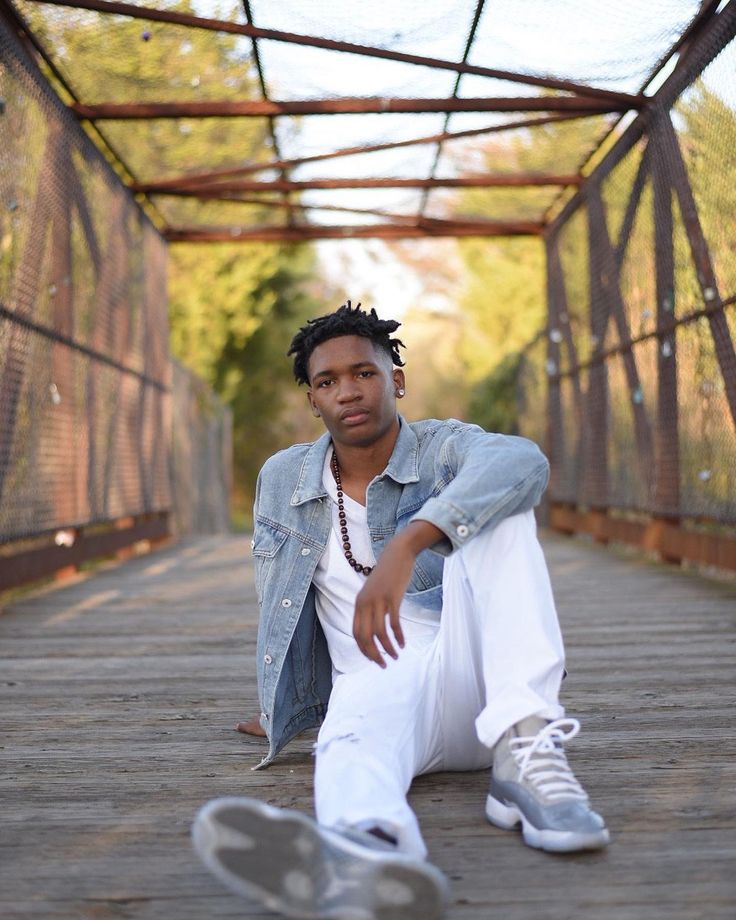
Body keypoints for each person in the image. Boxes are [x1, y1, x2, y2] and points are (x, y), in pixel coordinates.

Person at [192, 302, 609, 919]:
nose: (347, 392)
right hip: (374, 682)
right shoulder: (283, 477)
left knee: (501, 508)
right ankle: (370, 858)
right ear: (312, 399)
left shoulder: (444, 448)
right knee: (349, 747)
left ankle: (526, 752)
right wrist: (282, 696)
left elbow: (523, 462)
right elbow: (278, 598)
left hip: (476, 681)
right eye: (327, 382)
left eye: (364, 373)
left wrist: (412, 540)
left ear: (397, 380)